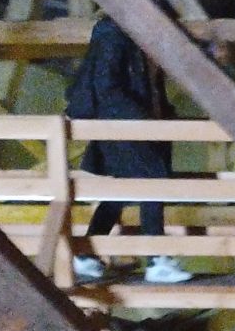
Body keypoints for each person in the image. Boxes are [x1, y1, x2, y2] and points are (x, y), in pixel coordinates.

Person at [66, 18, 190, 285]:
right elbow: (107, 87)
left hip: (129, 127)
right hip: (123, 127)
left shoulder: (133, 35)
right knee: (152, 181)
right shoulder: (115, 34)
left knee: (120, 191)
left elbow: (147, 85)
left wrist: (161, 115)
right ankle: (157, 260)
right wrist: (141, 119)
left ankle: (86, 255)